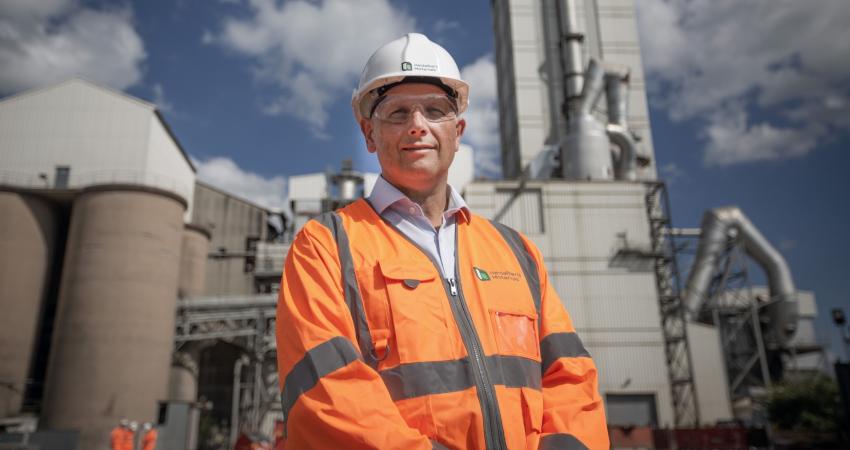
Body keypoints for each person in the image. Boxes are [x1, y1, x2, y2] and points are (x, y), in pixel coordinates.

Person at [276, 33, 608, 449]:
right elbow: (327, 395)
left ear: (458, 131)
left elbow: (570, 376)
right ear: (369, 134)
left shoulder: (516, 251)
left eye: (435, 111)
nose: (418, 125)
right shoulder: (326, 246)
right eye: (397, 113)